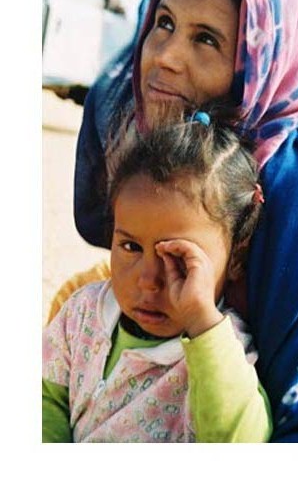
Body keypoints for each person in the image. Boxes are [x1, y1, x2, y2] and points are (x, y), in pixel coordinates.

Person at [67, 0, 298, 442]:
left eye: (207, 40)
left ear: (261, 64)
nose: (165, 57)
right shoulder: (156, 165)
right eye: (163, 23)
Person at [43, 108, 272, 443]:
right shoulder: (80, 315)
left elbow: (241, 442)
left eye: (177, 258)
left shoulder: (223, 351)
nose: (148, 280)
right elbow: (45, 401)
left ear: (236, 257)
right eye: (131, 246)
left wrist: (201, 320)